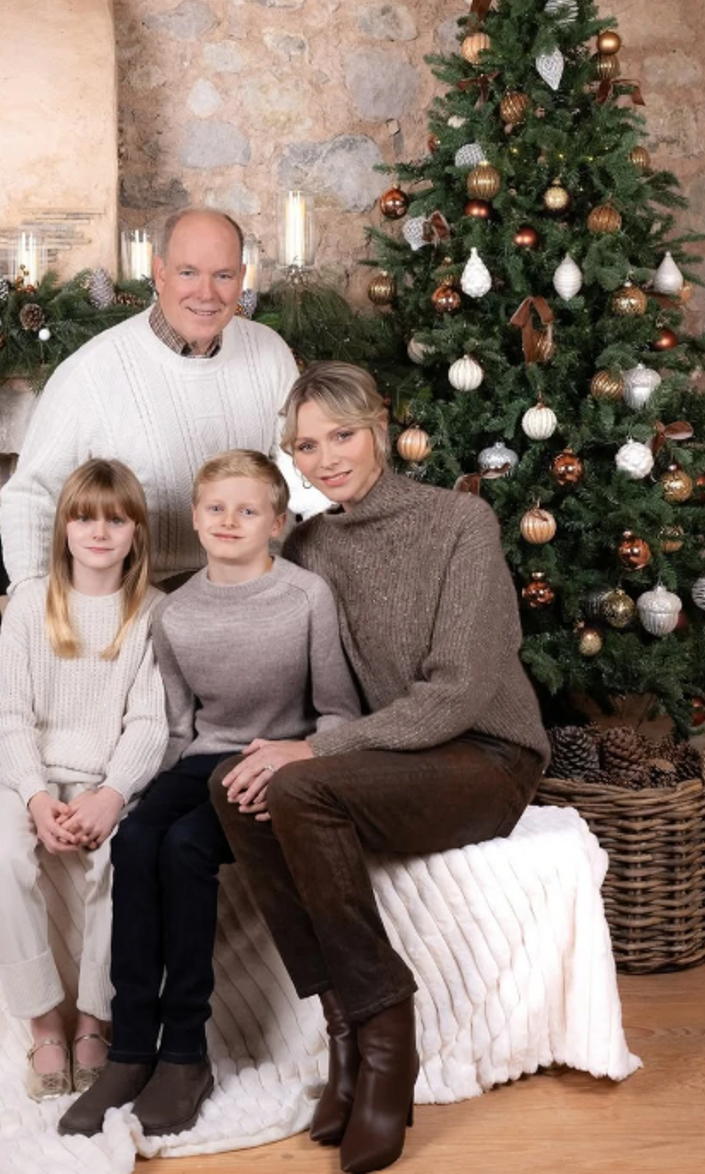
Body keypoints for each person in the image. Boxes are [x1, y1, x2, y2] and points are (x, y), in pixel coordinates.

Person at [209, 363, 550, 1174]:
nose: (327, 458)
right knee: (239, 786)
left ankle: (387, 1034)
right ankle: (344, 1034)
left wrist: (320, 748)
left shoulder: (461, 522)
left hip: (484, 755)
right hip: (391, 758)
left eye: (342, 435)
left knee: (300, 779)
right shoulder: (313, 544)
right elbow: (282, 652)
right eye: (306, 446)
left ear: (380, 426)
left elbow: (460, 691)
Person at [59, 449, 359, 1139]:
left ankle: (187, 1055)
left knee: (188, 848)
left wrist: (298, 762)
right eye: (216, 508)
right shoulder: (177, 612)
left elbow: (338, 710)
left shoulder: (305, 597)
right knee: (137, 840)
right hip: (200, 761)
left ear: (277, 523)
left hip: (277, 762)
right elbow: (173, 728)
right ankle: (132, 1049)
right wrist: (124, 792)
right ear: (194, 519)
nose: (230, 521)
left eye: (248, 510)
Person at [0, 459, 168, 1102]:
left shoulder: (152, 613)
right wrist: (33, 795)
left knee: (126, 860)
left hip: (110, 780)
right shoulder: (32, 603)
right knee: (1, 855)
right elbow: (10, 716)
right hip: (25, 776)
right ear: (63, 528)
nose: (99, 532)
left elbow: (148, 721)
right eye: (84, 517)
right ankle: (44, 1022)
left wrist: (111, 795)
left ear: (137, 531)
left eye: (116, 519)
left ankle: (93, 1020)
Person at [0, 208, 318, 591]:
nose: (207, 293)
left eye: (223, 275)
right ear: (160, 272)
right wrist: (32, 601)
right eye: (188, 273)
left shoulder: (269, 352)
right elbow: (32, 493)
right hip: (144, 600)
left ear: (241, 279)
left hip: (255, 584)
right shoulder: (91, 371)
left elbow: (303, 471)